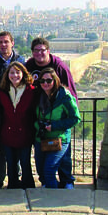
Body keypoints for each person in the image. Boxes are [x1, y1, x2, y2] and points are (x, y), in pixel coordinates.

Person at [25, 37, 78, 188]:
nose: (39, 53)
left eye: (42, 50)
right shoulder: (29, 65)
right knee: (43, 160)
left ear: (48, 51)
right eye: (36, 50)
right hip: (39, 118)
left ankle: (66, 181)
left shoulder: (59, 66)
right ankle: (49, 184)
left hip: (59, 120)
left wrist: (66, 116)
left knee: (62, 155)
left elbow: (71, 92)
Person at [0, 31, 25, 189]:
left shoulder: (21, 61)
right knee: (1, 149)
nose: (3, 45)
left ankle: (15, 178)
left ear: (12, 43)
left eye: (6, 42)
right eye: (0, 42)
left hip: (18, 111)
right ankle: (0, 179)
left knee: (17, 147)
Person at [34, 68, 81, 189]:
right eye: (42, 81)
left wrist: (54, 126)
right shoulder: (39, 95)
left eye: (49, 80)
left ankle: (52, 200)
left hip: (59, 139)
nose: (45, 83)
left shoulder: (64, 96)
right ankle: (50, 192)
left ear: (55, 81)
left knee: (49, 170)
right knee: (41, 171)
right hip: (42, 138)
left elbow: (75, 118)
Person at [0, 62, 36, 189]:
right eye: (12, 72)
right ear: (7, 75)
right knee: (11, 163)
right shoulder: (2, 91)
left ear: (23, 74)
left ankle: (28, 186)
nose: (15, 75)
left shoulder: (31, 90)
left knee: (25, 162)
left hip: (25, 132)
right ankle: (13, 185)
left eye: (18, 72)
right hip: (8, 132)